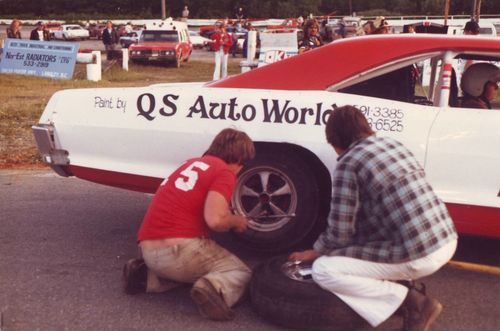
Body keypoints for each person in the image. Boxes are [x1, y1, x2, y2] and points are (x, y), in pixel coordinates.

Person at [289, 105, 458, 331]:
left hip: (419, 255)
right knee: (359, 248)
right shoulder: (393, 145)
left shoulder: (348, 162)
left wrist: (315, 251)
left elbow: (339, 234)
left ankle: (414, 303)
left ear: (335, 142)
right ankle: (399, 288)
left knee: (324, 269)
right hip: (447, 239)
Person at [123, 128, 255, 321]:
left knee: (186, 270)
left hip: (148, 250)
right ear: (239, 159)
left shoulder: (191, 164)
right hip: (179, 251)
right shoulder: (225, 172)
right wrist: (236, 221)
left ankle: (146, 276)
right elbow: (216, 220)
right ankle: (215, 289)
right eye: (243, 164)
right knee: (241, 273)